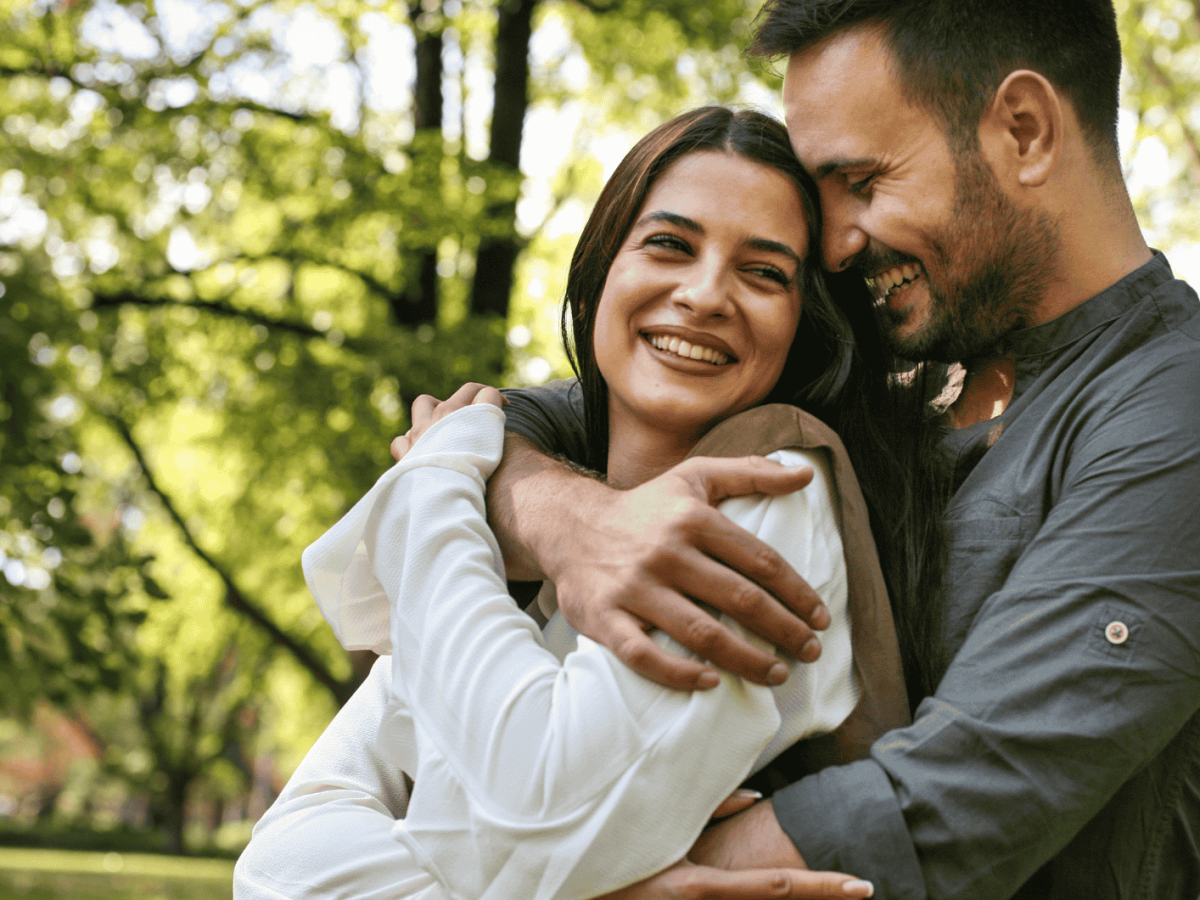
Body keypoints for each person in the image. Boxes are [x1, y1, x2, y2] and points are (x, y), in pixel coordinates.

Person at [479, 1, 1200, 897]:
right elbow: (551, 412)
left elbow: (961, 790)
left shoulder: (1172, 408)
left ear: (1024, 130)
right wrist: (564, 515)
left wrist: (581, 881)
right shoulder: (892, 363)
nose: (837, 239)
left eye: (860, 180)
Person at [233, 107, 924, 900]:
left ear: (803, 325)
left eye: (764, 273)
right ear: (600, 274)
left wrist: (435, 478)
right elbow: (277, 869)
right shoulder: (520, 526)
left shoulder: (772, 492)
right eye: (669, 244)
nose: (704, 295)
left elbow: (533, 825)